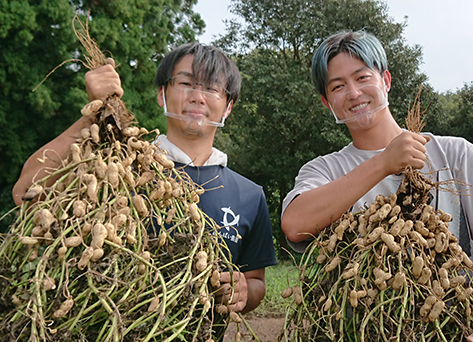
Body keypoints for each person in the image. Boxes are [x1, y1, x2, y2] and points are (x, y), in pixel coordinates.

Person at [281, 30, 473, 342]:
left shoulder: (454, 154)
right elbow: (295, 224)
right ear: (326, 102)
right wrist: (384, 162)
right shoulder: (324, 170)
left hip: (459, 329)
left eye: (362, 77)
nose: (354, 93)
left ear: (385, 80)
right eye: (338, 86)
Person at [13, 43, 277, 317]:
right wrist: (94, 114)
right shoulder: (117, 168)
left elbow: (256, 282)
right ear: (162, 94)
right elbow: (26, 194)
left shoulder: (249, 195)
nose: (198, 96)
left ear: (228, 106)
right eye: (186, 82)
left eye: (212, 88)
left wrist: (245, 290)